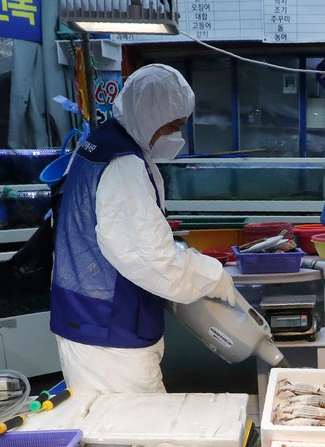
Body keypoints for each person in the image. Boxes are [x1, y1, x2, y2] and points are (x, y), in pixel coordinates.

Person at [49, 64, 239, 395]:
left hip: (89, 320)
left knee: (115, 431)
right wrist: (212, 275)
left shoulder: (100, 143)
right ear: (148, 116)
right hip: (109, 334)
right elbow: (150, 258)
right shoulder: (122, 163)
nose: (175, 138)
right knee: (134, 436)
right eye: (172, 127)